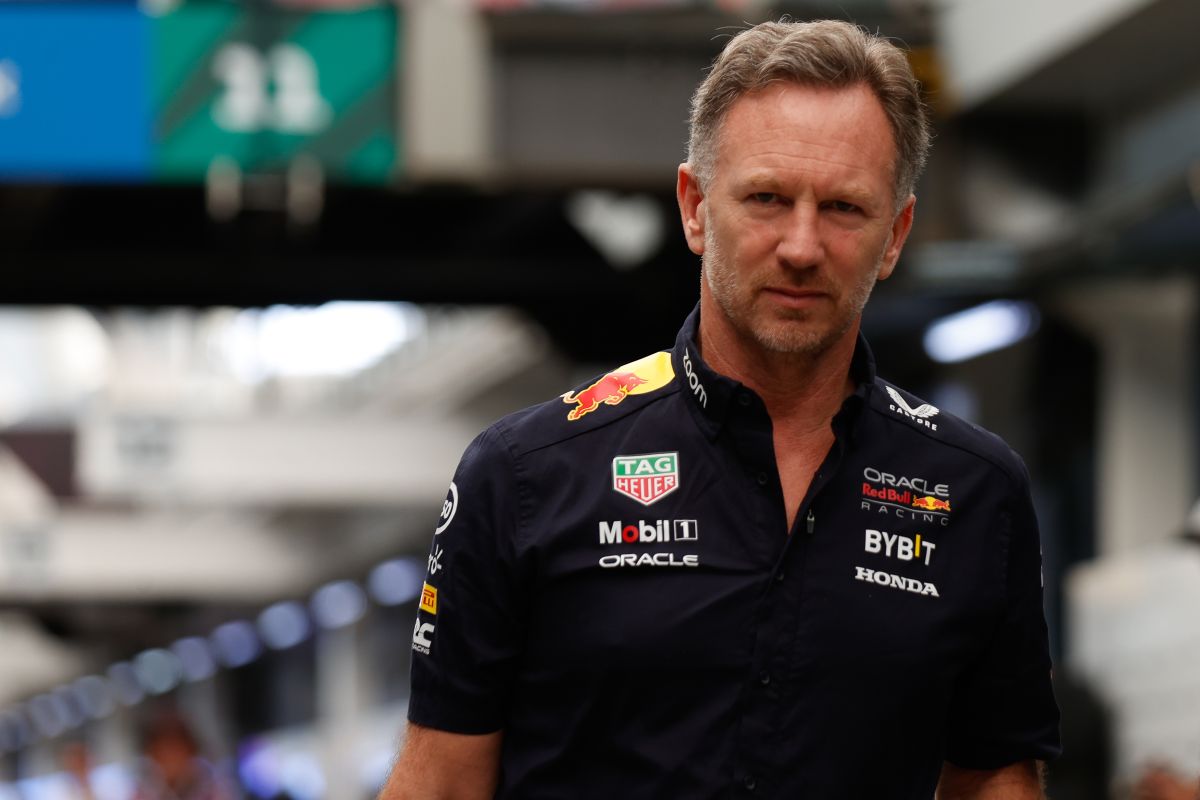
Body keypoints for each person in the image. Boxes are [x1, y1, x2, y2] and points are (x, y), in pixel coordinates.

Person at [381, 19, 1060, 799]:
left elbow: (995, 774)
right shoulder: (524, 477)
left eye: (844, 208)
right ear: (696, 208)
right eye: (767, 198)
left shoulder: (973, 491)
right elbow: (440, 784)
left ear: (896, 234)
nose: (801, 247)